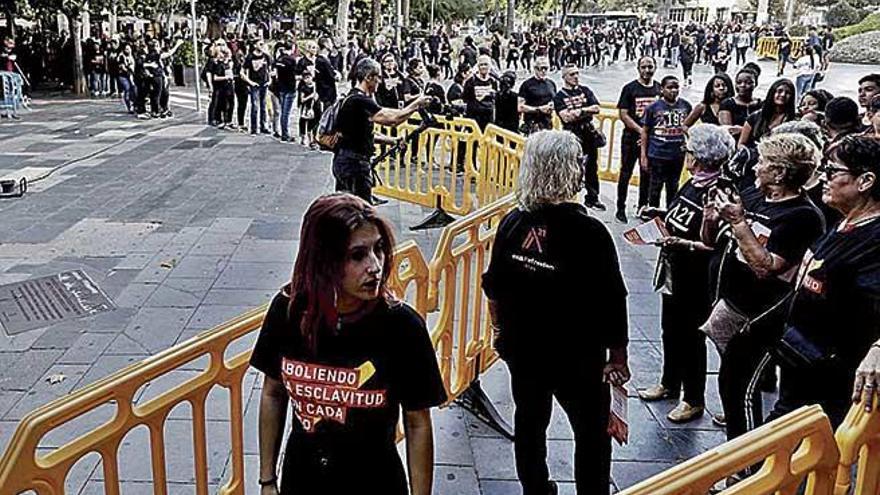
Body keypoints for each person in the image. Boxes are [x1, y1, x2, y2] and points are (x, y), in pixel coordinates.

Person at [251, 193, 447, 495]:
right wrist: (267, 480)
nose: (375, 266)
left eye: (379, 249)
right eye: (357, 255)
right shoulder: (288, 311)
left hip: (374, 481)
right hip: (302, 478)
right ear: (322, 260)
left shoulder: (402, 327)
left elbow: (418, 423)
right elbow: (273, 393)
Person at [482, 130, 630, 495]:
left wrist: (499, 331)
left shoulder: (513, 222)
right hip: (576, 355)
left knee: (529, 422)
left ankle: (536, 488)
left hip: (524, 348)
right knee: (591, 432)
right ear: (571, 170)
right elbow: (613, 299)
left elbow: (494, 286)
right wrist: (618, 357)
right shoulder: (590, 232)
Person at [702, 132, 824, 455]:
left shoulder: (804, 216)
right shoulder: (754, 197)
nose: (755, 167)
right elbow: (716, 240)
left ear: (780, 173)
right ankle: (741, 452)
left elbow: (767, 266)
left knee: (738, 387)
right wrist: (712, 220)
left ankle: (748, 465)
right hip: (735, 309)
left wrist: (739, 224)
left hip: (764, 319)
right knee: (732, 385)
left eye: (763, 163)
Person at [765, 136, 880, 428]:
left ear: (865, 181)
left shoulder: (875, 240)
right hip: (798, 363)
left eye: (832, 172)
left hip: (828, 381)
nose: (823, 179)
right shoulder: (842, 220)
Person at [639, 125, 735, 423]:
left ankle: (693, 398)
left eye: (690, 151)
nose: (686, 155)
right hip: (674, 270)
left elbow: (718, 242)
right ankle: (669, 382)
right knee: (670, 330)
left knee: (692, 337)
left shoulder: (720, 191)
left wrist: (684, 243)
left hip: (696, 276)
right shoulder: (691, 183)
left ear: (704, 157)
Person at [332, 58, 432, 203]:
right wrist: (416, 104)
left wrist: (392, 140)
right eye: (378, 77)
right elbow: (393, 119)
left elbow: (365, 133)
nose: (380, 81)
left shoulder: (354, 97)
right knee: (361, 211)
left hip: (346, 162)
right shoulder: (360, 100)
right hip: (354, 165)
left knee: (345, 209)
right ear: (368, 77)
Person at [616, 56, 661, 223]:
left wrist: (650, 134)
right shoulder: (630, 89)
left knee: (646, 174)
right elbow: (623, 114)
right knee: (626, 172)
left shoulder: (658, 89)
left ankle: (643, 206)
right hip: (631, 137)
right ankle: (621, 207)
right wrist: (641, 130)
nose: (647, 70)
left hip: (651, 140)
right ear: (638, 68)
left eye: (650, 66)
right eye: (644, 67)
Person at [554, 64, 604, 211]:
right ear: (564, 77)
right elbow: (566, 117)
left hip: (588, 133)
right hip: (572, 135)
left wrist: (580, 111)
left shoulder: (585, 90)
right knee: (571, 166)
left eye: (577, 73)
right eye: (571, 74)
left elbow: (596, 108)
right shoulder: (559, 96)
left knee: (591, 167)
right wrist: (584, 112)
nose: (575, 77)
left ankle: (593, 197)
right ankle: (569, 198)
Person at [641, 75, 692, 210]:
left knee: (673, 187)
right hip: (657, 154)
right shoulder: (652, 108)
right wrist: (643, 156)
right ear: (662, 89)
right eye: (669, 87)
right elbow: (645, 131)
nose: (673, 91)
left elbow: (689, 130)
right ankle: (653, 214)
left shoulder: (686, 106)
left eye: (676, 87)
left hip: (677, 155)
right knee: (655, 187)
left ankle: (670, 214)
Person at [739, 79, 797, 149]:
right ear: (772, 93)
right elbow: (741, 144)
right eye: (779, 91)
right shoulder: (755, 117)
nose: (783, 95)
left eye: (788, 93)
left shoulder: (793, 121)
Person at [719, 67, 762, 139]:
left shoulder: (760, 104)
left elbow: (764, 130)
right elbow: (729, 131)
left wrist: (742, 130)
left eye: (748, 82)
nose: (742, 85)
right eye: (739, 82)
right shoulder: (727, 104)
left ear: (756, 84)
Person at [518, 56, 556, 135]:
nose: (543, 71)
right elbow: (520, 107)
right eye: (541, 68)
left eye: (546, 68)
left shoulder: (551, 84)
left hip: (548, 124)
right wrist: (538, 109)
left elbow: (554, 100)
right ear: (535, 69)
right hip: (532, 124)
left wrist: (552, 105)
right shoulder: (527, 85)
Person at [241, 40, 272, 135]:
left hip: (264, 83)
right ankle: (254, 128)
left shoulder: (266, 56)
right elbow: (242, 72)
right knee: (255, 106)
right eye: (260, 44)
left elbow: (270, 70)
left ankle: (263, 126)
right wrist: (250, 82)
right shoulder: (250, 57)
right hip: (255, 84)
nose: (262, 46)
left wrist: (270, 80)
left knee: (263, 106)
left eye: (263, 44)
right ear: (255, 45)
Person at [463, 55, 497, 131]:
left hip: (489, 117)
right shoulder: (471, 81)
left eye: (486, 64)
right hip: (474, 118)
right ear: (478, 66)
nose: (483, 67)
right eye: (481, 65)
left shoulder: (493, 81)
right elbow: (465, 98)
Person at [275, 44, 298, 142]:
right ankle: (285, 134)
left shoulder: (279, 59)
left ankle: (284, 132)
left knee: (283, 111)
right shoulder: (291, 60)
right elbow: (295, 73)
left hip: (281, 87)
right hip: (290, 87)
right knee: (286, 112)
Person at [297, 71, 319, 147]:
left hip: (315, 107)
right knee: (304, 122)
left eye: (308, 77)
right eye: (305, 78)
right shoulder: (303, 88)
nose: (307, 80)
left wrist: (316, 97)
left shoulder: (316, 86)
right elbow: (302, 99)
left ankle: (313, 140)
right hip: (306, 107)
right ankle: (304, 137)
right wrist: (310, 96)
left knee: (314, 123)